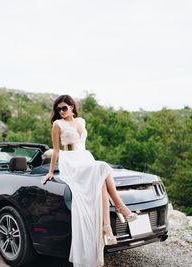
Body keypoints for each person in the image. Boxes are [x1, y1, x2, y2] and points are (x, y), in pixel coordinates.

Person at [41, 95, 137, 267]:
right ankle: (120, 206)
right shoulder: (57, 125)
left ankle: (107, 227)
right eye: (58, 109)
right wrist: (50, 172)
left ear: (71, 107)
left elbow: (82, 142)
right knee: (103, 167)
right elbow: (56, 151)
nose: (61, 112)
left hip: (85, 157)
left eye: (64, 108)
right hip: (70, 161)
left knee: (100, 179)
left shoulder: (82, 121)